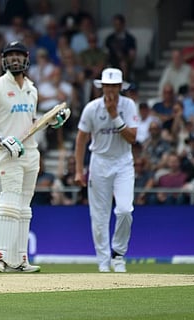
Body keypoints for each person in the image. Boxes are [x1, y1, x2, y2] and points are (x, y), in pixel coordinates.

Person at [0, 41, 46, 273]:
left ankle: (19, 259)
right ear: (4, 60)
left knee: (24, 208)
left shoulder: (32, 89)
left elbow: (30, 123)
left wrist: (51, 121)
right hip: (7, 154)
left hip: (30, 152)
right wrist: (1, 140)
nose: (14, 60)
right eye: (10, 56)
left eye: (18, 55)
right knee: (9, 202)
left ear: (26, 58)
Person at [74, 67, 139, 273]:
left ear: (120, 87)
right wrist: (78, 170)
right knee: (99, 216)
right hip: (99, 162)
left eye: (114, 86)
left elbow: (132, 138)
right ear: (101, 87)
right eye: (107, 86)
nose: (110, 90)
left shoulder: (128, 106)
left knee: (124, 210)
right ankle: (103, 263)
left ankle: (118, 254)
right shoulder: (91, 108)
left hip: (123, 163)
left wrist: (114, 115)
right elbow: (80, 140)